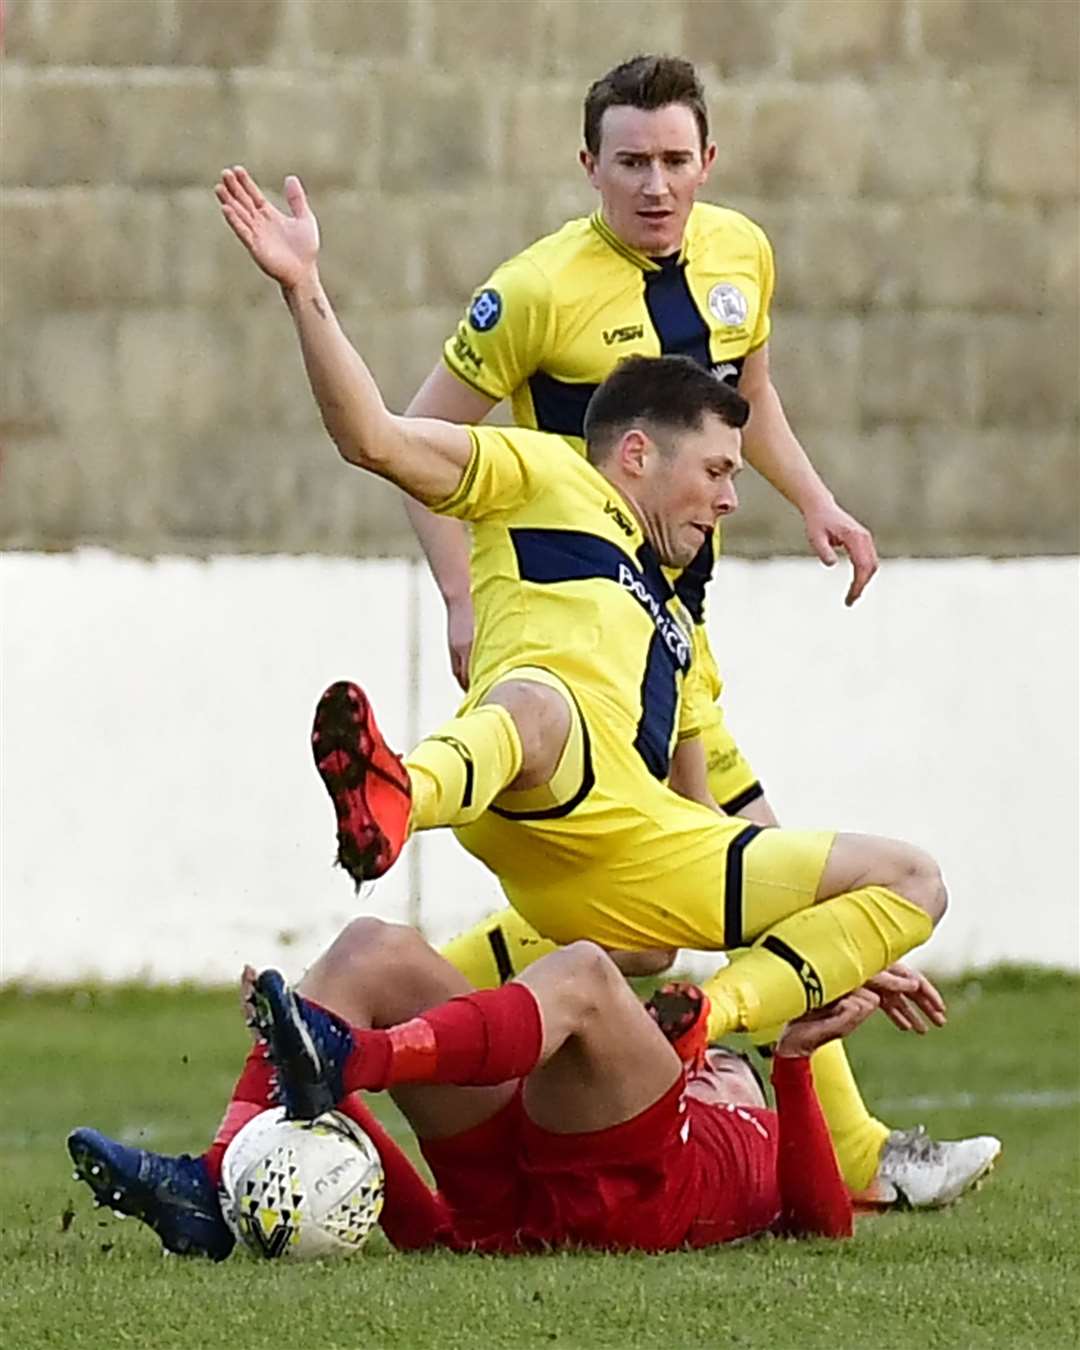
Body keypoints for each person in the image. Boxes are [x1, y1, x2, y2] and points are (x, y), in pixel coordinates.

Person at [384, 53, 984, 1208]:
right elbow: (420, 437)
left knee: (660, 913)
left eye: (675, 160)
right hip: (591, 640)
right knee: (726, 878)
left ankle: (391, 1016)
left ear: (708, 161)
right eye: (632, 163)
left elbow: (749, 395)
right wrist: (461, 596)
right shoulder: (536, 290)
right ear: (589, 167)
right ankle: (854, 1153)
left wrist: (814, 499)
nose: (656, 185)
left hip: (680, 643)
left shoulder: (742, 255)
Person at [68, 919, 997, 1259]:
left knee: (586, 973)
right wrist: (307, 1078)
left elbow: (824, 1223)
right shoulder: (680, 1095)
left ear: (730, 1081)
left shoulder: (742, 1127)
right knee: (370, 950)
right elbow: (433, 1232)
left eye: (720, 1057)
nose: (709, 1056)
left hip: (634, 1195)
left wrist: (790, 1061)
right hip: (507, 1196)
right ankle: (215, 1183)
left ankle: (351, 1051)